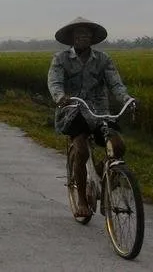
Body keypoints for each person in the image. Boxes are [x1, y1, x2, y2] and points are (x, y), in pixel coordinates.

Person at [47, 17, 136, 219]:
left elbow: (115, 84)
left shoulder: (103, 59)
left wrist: (126, 98)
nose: (82, 37)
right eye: (78, 34)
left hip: (98, 111)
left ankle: (104, 179)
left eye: (86, 34)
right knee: (81, 150)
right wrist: (60, 97)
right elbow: (54, 82)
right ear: (71, 38)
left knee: (118, 146)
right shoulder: (60, 59)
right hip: (73, 111)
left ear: (92, 38)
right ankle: (80, 198)